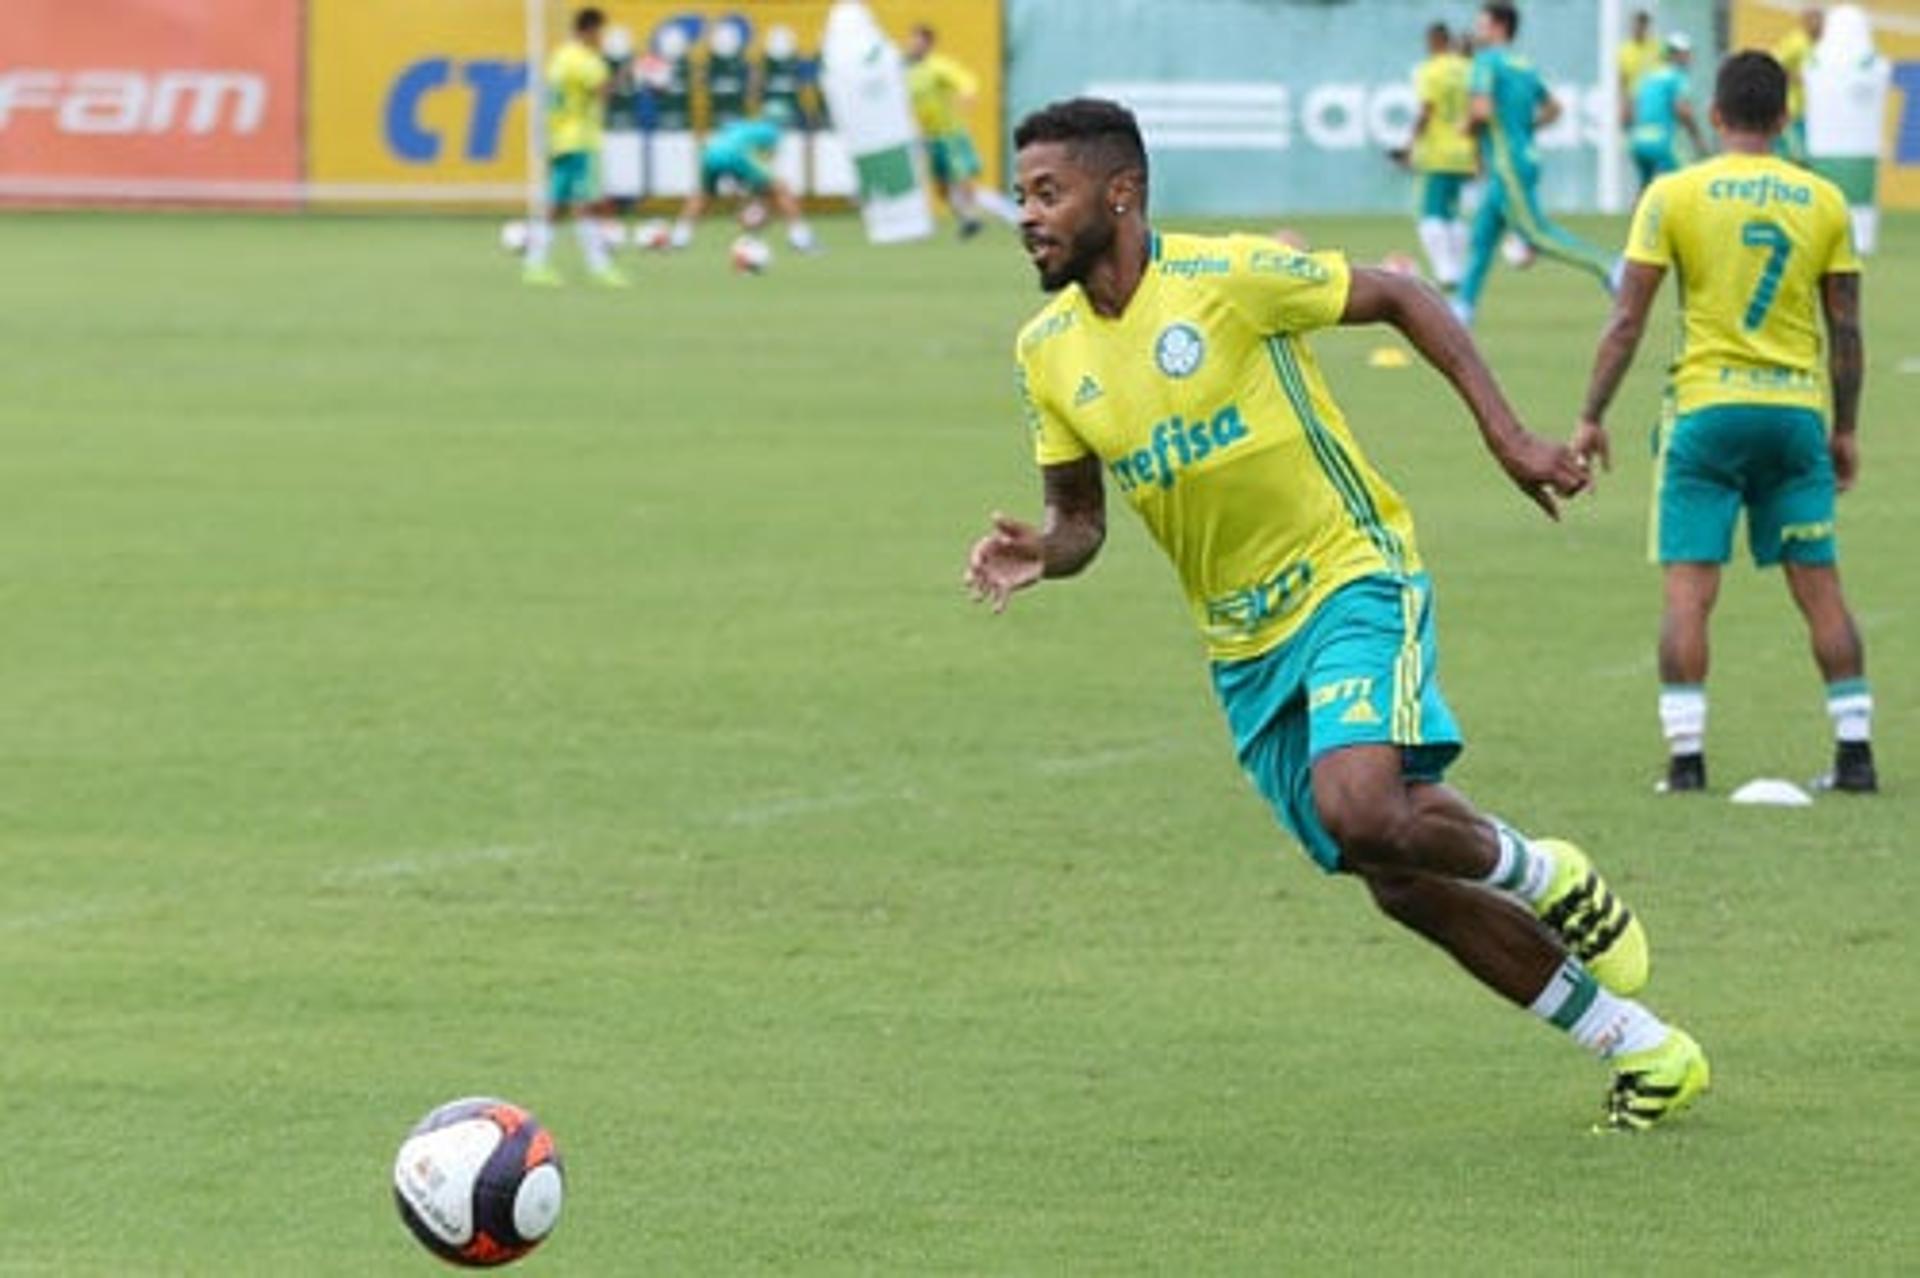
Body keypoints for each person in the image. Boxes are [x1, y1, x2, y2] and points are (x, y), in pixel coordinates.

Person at [966, 97, 1709, 1131]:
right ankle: (1642, 1047)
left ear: (1120, 192)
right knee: (1392, 874)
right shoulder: (1045, 351)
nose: (1027, 215)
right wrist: (1043, 552)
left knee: (1362, 805)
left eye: (1048, 193)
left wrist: (1507, 437)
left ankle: (1543, 871)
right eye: (1021, 196)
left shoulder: (1224, 279)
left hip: (1347, 571)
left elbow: (1403, 296)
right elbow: (1081, 520)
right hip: (1242, 645)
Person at [1574, 52, 1875, 796]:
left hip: (1705, 414)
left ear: (1714, 116)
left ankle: (1686, 760)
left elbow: (1626, 321)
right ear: (1783, 118)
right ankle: (1856, 752)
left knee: (1689, 588)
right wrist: (1845, 429)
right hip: (1795, 415)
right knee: (1820, 585)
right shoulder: (1824, 201)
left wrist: (1590, 416)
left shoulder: (1673, 193)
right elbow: (1847, 331)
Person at [1454, 3, 1619, 327]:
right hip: (1524, 156)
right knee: (1482, 238)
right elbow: (1554, 109)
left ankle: (1611, 267)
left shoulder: (1485, 62)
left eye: (1482, 24)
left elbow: (1482, 110)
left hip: (1506, 165)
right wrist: (1525, 129)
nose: (1477, 31)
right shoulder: (1524, 65)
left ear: (1500, 26)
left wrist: (1467, 125)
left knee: (1535, 234)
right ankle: (1461, 309)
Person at [524, 7, 628, 289]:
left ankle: (535, 264)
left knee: (557, 204)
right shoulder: (585, 60)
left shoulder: (560, 56)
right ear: (589, 30)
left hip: (559, 138)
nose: (601, 39)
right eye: (600, 33)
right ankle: (599, 267)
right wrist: (628, 72)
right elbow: (604, 93)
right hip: (580, 139)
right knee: (584, 204)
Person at [905, 24, 1019, 238]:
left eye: (917, 41)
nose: (911, 45)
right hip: (931, 139)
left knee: (966, 185)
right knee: (942, 190)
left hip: (951, 136)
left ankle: (1012, 216)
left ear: (928, 44)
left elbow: (965, 80)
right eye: (910, 40)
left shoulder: (938, 67)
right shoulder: (909, 72)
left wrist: (967, 94)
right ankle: (969, 220)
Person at [668, 105, 819, 253]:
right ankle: (801, 239)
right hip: (738, 157)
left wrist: (743, 193)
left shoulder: (743, 125)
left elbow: (727, 143)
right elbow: (763, 166)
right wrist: (757, 202)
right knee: (781, 189)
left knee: (703, 196)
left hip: (710, 154)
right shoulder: (772, 132)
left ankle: (679, 238)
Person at [1408, 22, 1477, 290]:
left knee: (1429, 214)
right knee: (1453, 214)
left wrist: (1410, 143)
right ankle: (1456, 269)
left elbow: (1427, 110)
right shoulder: (1468, 69)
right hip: (1466, 152)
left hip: (1438, 154)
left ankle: (1445, 271)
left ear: (1434, 41)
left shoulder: (1430, 70)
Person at [1627, 33, 1707, 190]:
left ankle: (1638, 214)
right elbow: (1682, 110)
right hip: (1660, 141)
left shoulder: (1649, 77)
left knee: (1646, 190)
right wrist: (1697, 139)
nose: (1688, 57)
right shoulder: (1677, 77)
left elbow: (1633, 109)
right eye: (1684, 53)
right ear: (1673, 55)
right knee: (1683, 184)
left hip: (1637, 141)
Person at [1772, 7, 1825, 164]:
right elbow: (1774, 67)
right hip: (1791, 110)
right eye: (1815, 19)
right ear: (1805, 21)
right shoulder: (1795, 42)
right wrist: (1797, 78)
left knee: (1807, 158)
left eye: (1821, 20)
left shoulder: (1821, 46)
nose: (1820, 24)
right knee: (1795, 156)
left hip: (1809, 112)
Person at [1617, 9, 1662, 120]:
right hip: (1635, 102)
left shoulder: (1657, 47)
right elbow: (1622, 80)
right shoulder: (1624, 50)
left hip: (1655, 100)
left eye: (1642, 24)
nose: (1638, 28)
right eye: (1636, 24)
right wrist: (1624, 105)